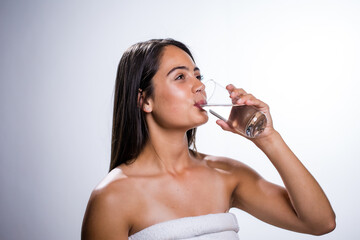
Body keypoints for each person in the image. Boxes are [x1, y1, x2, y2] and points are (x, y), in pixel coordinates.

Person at [81, 39, 336, 239]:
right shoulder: (113, 197)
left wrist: (268, 138)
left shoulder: (226, 173)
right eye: (180, 77)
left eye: (198, 76)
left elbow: (321, 223)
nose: (199, 86)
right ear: (144, 100)